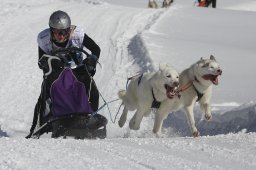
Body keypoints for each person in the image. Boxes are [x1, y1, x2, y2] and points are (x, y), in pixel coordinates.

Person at [26, 10, 101, 138]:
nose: (60, 35)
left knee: (92, 90)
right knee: (44, 95)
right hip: (57, 72)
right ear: (51, 31)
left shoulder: (77, 34)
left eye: (64, 32)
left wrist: (92, 60)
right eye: (56, 32)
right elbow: (41, 61)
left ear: (69, 30)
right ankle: (36, 127)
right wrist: (48, 64)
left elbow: (95, 49)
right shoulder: (43, 39)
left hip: (77, 69)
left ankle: (90, 117)